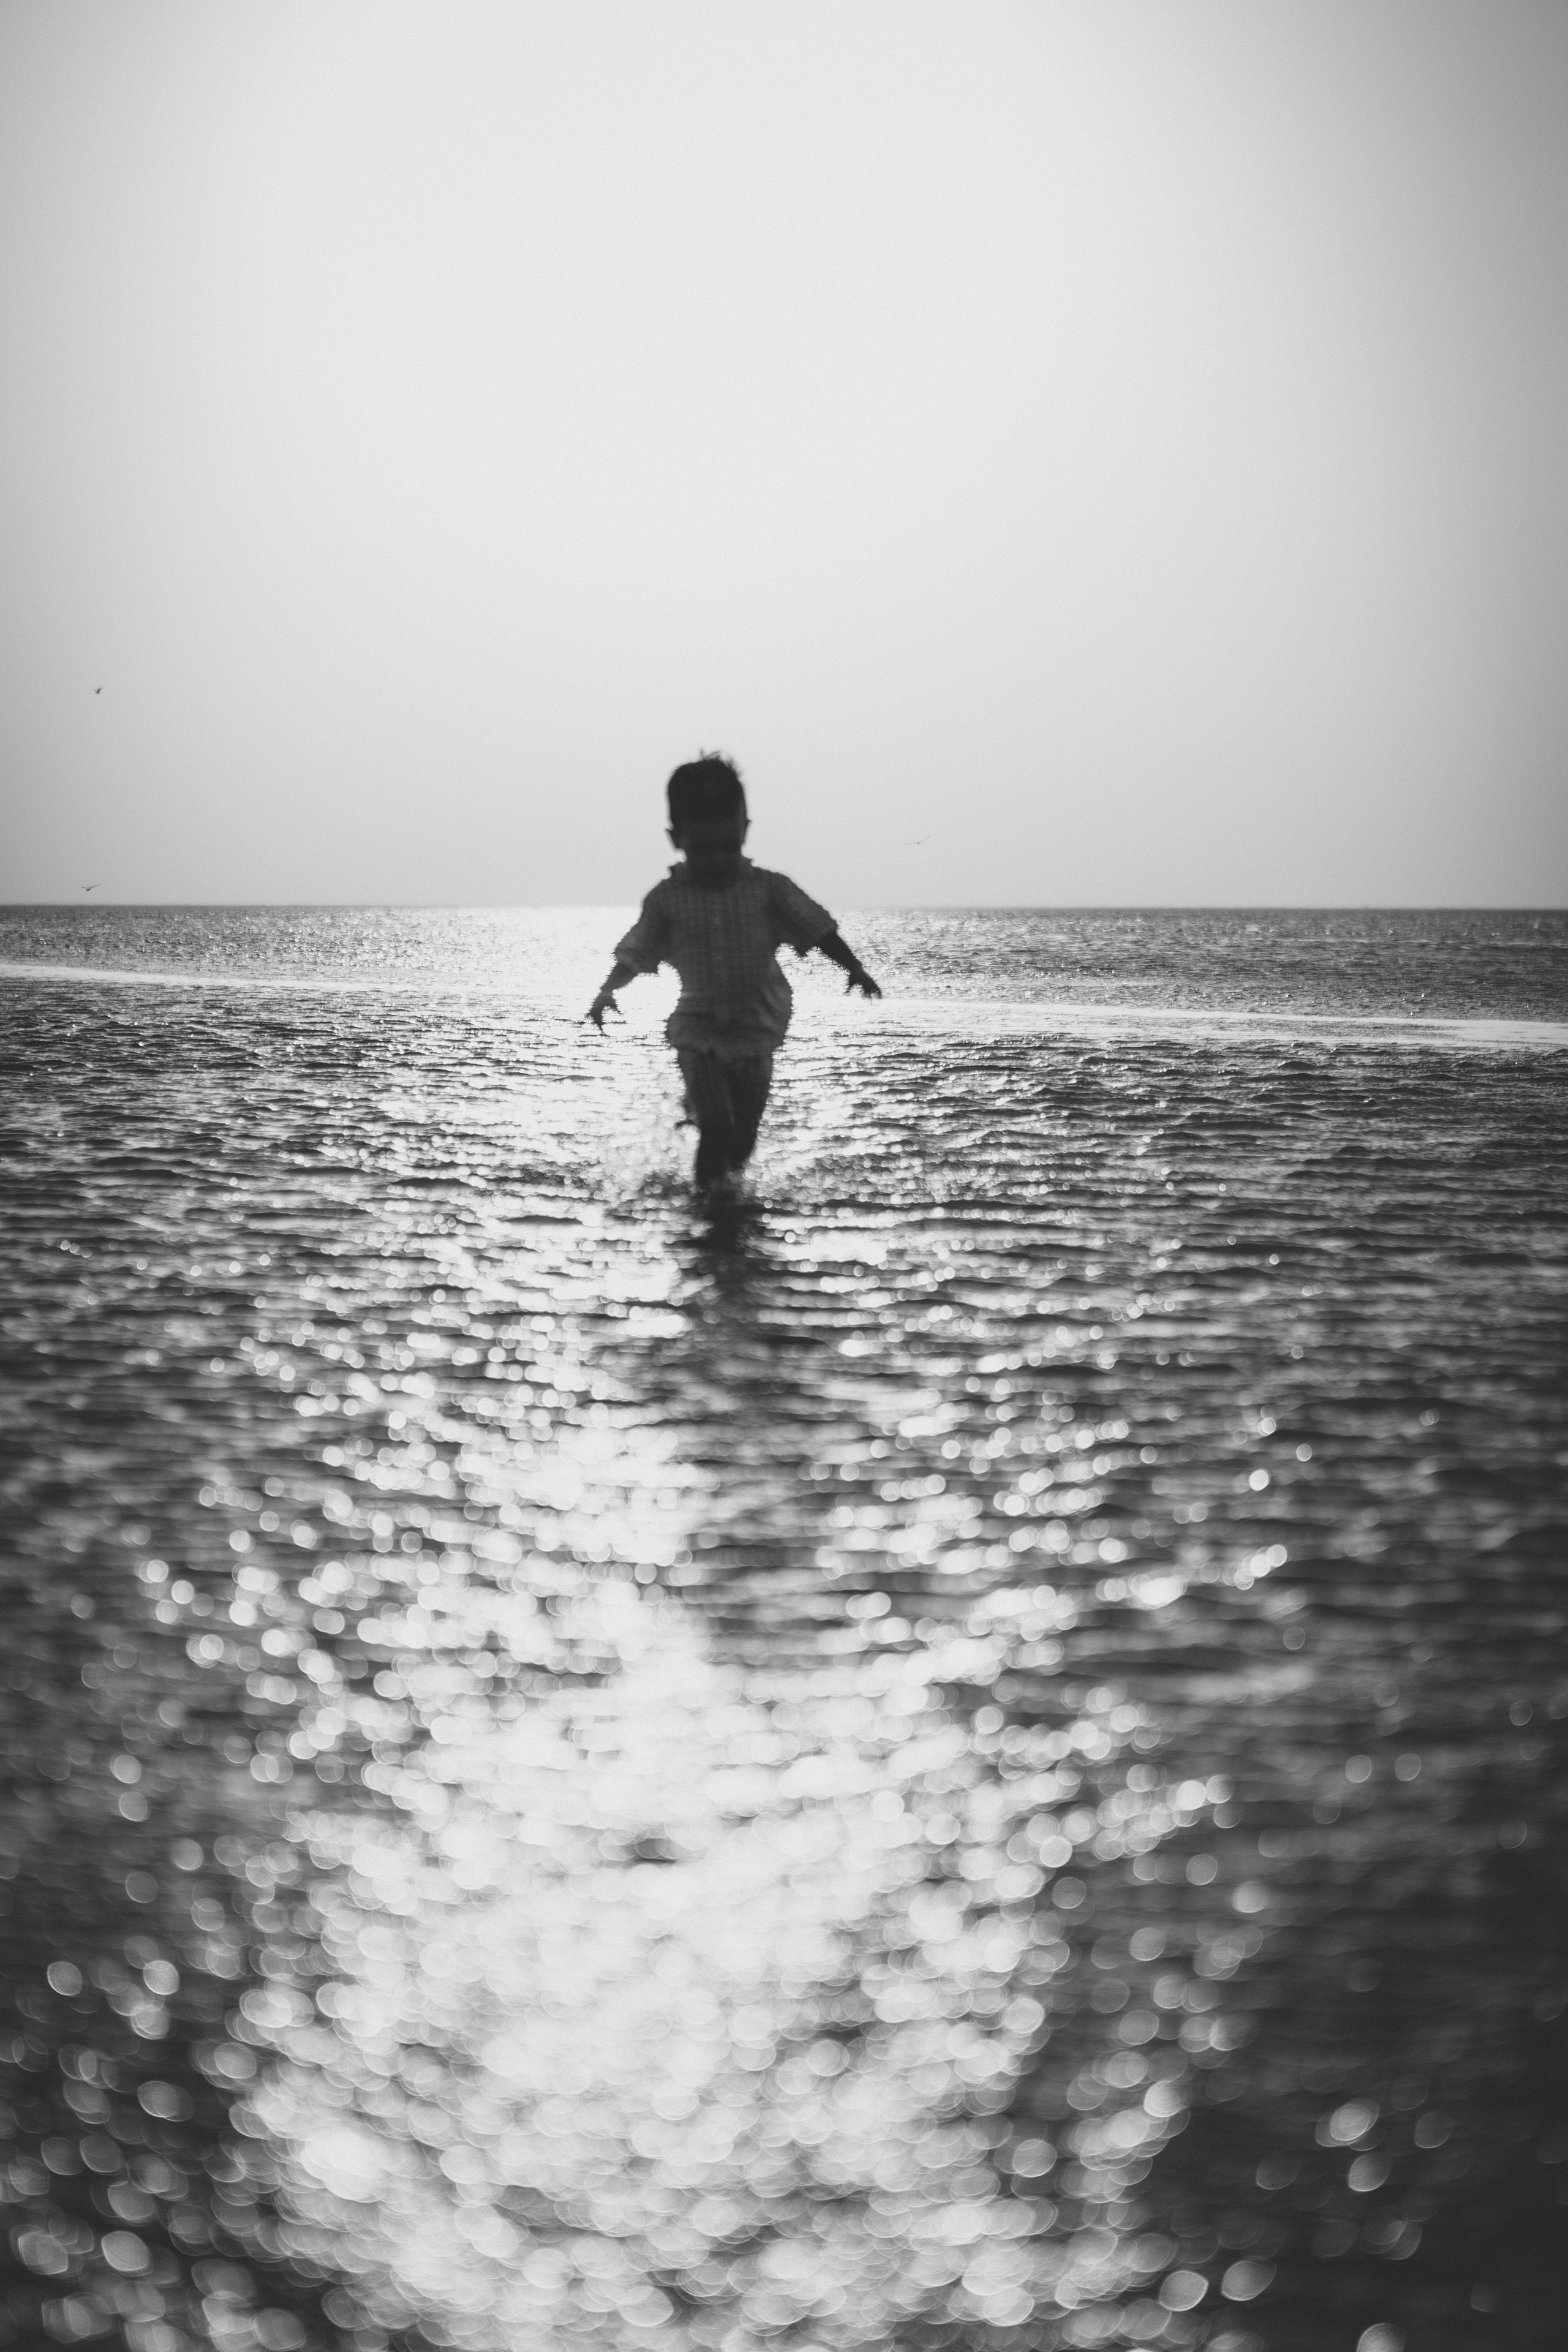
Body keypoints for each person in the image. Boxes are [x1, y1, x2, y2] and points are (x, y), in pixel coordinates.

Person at [586, 754, 881, 1189]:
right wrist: (607, 991)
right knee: (718, 1126)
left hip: (756, 1030)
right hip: (699, 1032)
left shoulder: (768, 889)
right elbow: (637, 950)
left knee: (743, 1137)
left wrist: (853, 966)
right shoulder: (668, 899)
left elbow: (817, 928)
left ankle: (731, 1194)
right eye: (703, 850)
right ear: (677, 839)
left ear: (744, 831)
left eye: (729, 847)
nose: (718, 859)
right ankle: (709, 1200)